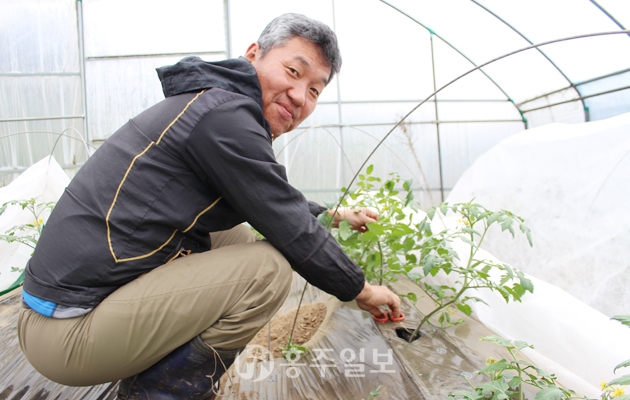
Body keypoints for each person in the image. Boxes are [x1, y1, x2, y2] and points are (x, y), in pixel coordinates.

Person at [17, 13, 401, 399]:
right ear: (254, 54)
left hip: (64, 312)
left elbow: (268, 197)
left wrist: (332, 215)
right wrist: (361, 290)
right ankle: (159, 392)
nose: (300, 96)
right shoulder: (224, 116)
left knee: (234, 233)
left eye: (315, 90)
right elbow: (286, 221)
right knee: (267, 270)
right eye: (293, 71)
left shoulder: (215, 104)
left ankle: (158, 371)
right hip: (67, 329)